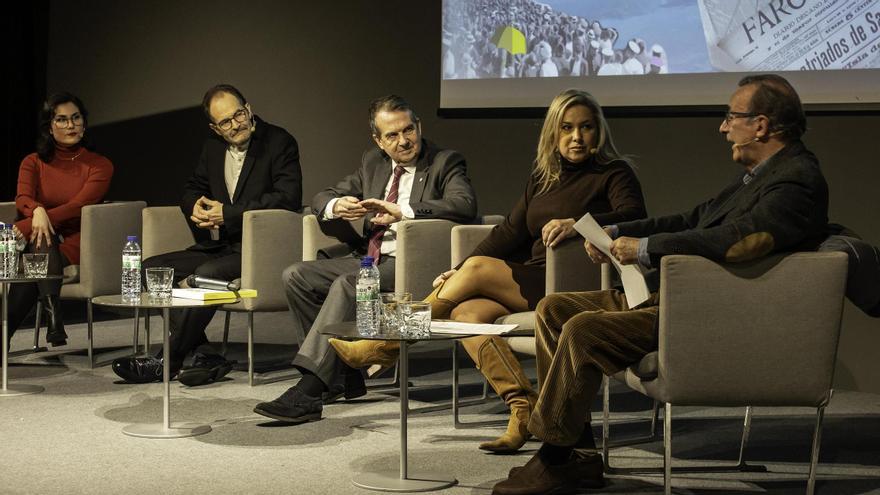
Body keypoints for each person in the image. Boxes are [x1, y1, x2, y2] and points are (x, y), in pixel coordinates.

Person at [492, 74, 830, 494]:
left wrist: (646, 249)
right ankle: (578, 456)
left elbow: (740, 241)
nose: (724, 128)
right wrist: (614, 232)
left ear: (760, 125)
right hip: (686, 300)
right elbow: (692, 220)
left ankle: (554, 456)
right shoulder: (761, 177)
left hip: (716, 314)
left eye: (731, 117)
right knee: (555, 309)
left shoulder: (795, 181)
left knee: (582, 330)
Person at [331, 89, 647, 453]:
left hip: (578, 283)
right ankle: (521, 407)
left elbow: (634, 218)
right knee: (468, 314)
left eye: (586, 127)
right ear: (553, 133)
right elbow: (509, 232)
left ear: (598, 131)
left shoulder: (614, 173)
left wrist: (578, 223)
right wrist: (457, 271)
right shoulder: (544, 177)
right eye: (567, 128)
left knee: (478, 268)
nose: (576, 137)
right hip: (534, 275)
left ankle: (385, 344)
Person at [252, 94, 478, 423]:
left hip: (411, 266)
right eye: (392, 135)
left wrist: (404, 212)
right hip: (370, 259)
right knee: (297, 276)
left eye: (408, 130)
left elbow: (464, 204)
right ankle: (342, 375)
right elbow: (322, 196)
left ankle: (312, 388)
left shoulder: (445, 162)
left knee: (349, 285)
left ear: (419, 126)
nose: (403, 141)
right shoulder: (373, 162)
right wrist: (336, 205)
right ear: (378, 140)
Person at [111, 84, 302, 386]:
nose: (236, 124)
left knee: (206, 274)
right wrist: (195, 207)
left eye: (239, 114)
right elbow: (192, 188)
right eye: (225, 121)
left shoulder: (278, 142)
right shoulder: (213, 148)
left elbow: (288, 197)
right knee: (150, 270)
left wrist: (226, 213)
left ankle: (167, 359)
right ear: (215, 127)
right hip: (224, 246)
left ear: (248, 108)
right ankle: (204, 352)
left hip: (261, 252)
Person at [5, 92, 113, 347]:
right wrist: (38, 213)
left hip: (79, 240)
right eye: (62, 120)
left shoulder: (100, 165)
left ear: (84, 123)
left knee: (37, 250)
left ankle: (2, 338)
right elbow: (22, 198)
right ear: (50, 128)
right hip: (41, 240)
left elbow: (78, 206)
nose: (70, 125)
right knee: (41, 245)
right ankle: (54, 320)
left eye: (76, 118)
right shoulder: (32, 162)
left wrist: (29, 222)